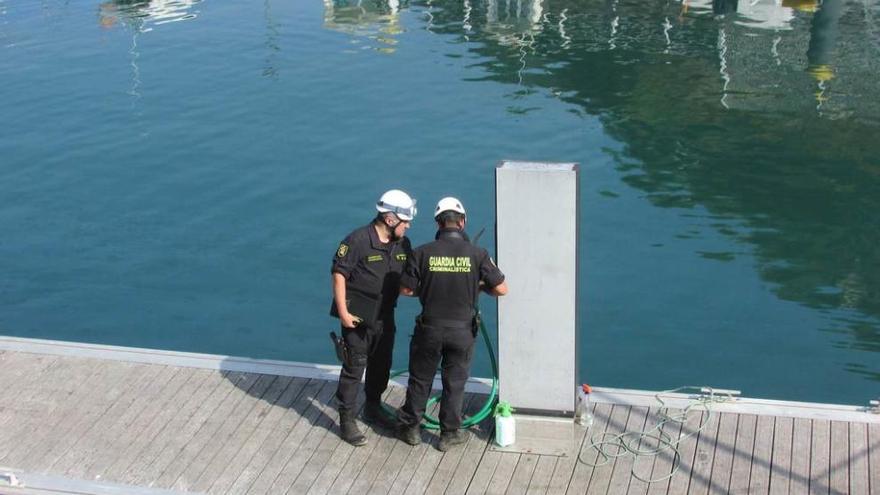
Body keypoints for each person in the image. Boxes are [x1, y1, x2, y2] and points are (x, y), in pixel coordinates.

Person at [395, 197, 508, 451]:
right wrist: (476, 286)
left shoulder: (422, 252)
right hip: (462, 331)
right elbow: (501, 288)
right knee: (454, 383)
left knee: (420, 379)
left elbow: (405, 289)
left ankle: (410, 428)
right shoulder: (478, 254)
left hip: (429, 329)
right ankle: (449, 434)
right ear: (463, 222)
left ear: (438, 223)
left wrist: (430, 289)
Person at [330, 189, 416, 446]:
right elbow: (339, 274)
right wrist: (344, 313)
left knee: (382, 365)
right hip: (357, 318)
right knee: (354, 367)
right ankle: (346, 419)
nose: (408, 226)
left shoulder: (403, 244)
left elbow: (408, 278)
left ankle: (373, 406)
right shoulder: (357, 241)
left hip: (385, 316)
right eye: (405, 221)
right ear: (390, 219)